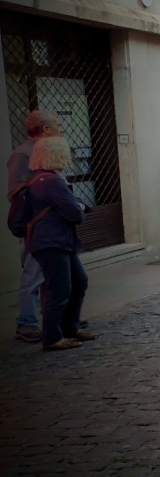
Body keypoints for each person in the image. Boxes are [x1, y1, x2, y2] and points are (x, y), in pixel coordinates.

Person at [26, 137, 95, 351]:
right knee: (60, 288)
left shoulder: (39, 179)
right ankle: (53, 336)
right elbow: (75, 212)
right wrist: (80, 208)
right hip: (52, 240)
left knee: (78, 281)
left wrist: (77, 206)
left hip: (56, 240)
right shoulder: (52, 181)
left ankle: (70, 327)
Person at [7, 110, 60, 342]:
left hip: (54, 224)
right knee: (33, 274)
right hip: (35, 224)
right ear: (46, 129)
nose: (61, 128)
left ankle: (52, 319)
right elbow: (16, 192)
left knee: (52, 276)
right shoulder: (22, 154)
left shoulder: (49, 150)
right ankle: (26, 323)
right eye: (57, 124)